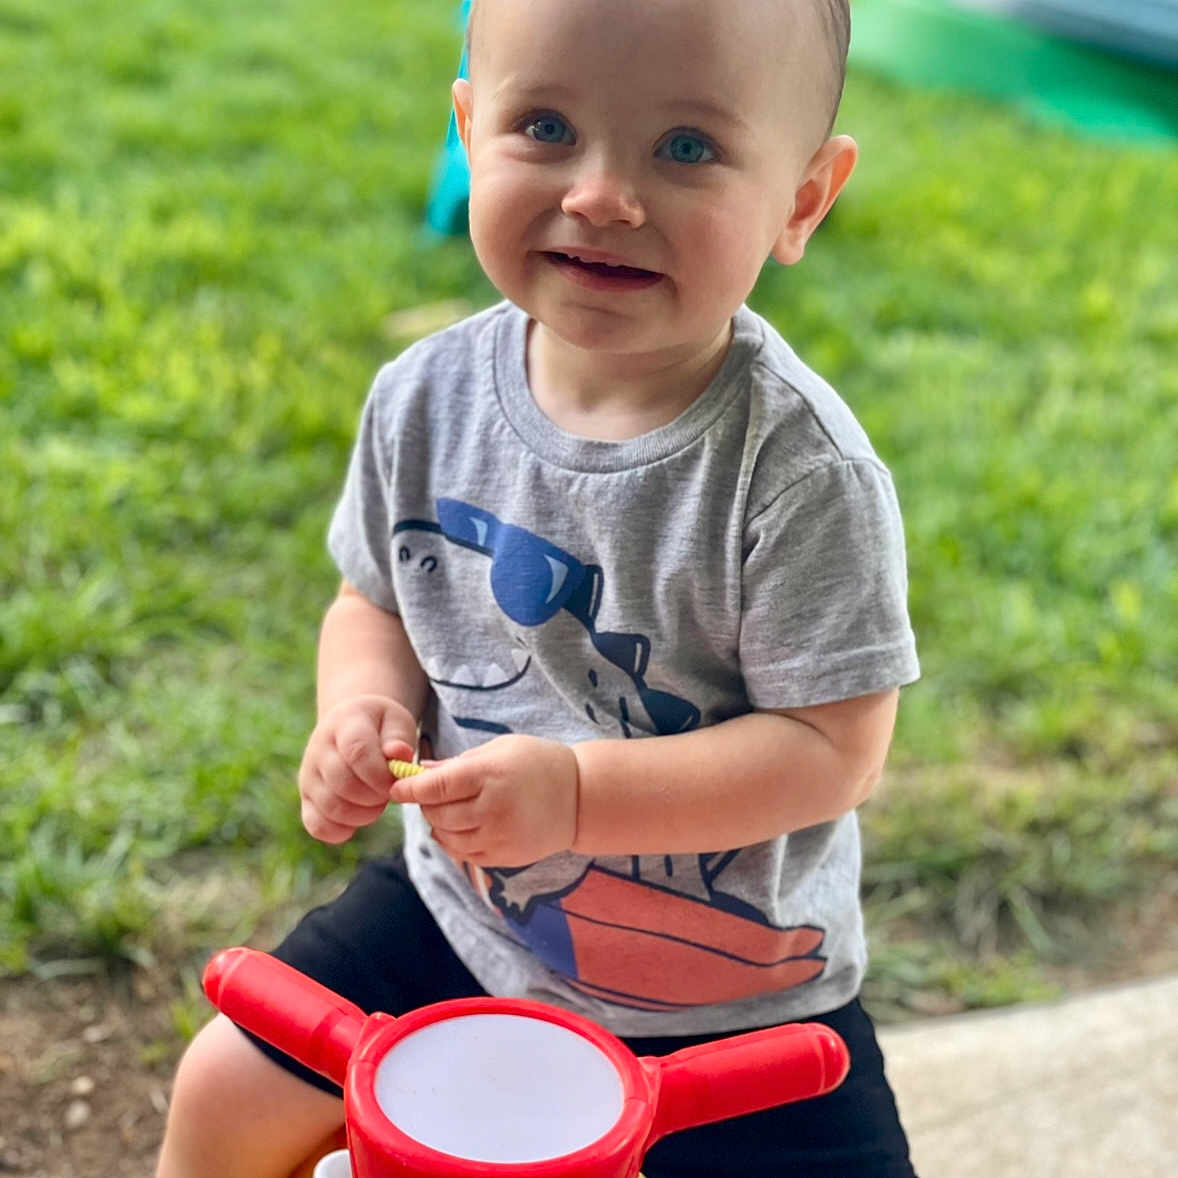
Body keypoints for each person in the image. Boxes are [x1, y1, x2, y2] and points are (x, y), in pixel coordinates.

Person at [156, 1, 921, 1175]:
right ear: (468, 131)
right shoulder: (424, 397)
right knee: (224, 1082)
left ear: (802, 198)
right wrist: (361, 704)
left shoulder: (799, 473)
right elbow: (372, 598)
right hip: (464, 914)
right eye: (546, 124)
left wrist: (574, 792)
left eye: (684, 147)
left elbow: (830, 750)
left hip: (733, 988)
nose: (603, 194)